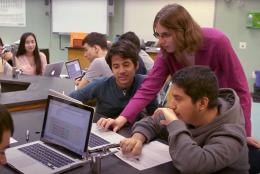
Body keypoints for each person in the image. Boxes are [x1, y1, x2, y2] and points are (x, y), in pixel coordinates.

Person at [97, 3, 260, 148]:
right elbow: (148, 88)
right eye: (158, 35)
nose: (160, 42)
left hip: (217, 115)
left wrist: (244, 133)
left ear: (184, 30)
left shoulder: (217, 41)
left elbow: (240, 89)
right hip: (190, 116)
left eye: (165, 35)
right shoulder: (167, 53)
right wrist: (122, 118)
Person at [120, 66, 249, 174]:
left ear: (202, 103)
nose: (171, 105)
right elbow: (152, 121)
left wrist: (174, 124)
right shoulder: (189, 112)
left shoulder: (231, 132)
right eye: (172, 97)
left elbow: (193, 164)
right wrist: (137, 138)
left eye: (178, 98)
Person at [69, 40, 158, 121]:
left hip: (131, 134)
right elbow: (71, 99)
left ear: (136, 65)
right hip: (102, 132)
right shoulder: (100, 84)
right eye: (116, 66)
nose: (121, 71)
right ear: (111, 68)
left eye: (126, 65)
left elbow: (153, 115)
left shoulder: (145, 85)